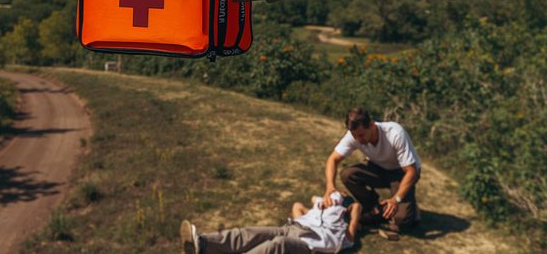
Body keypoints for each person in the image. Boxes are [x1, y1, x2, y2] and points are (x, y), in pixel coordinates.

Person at [323, 107, 421, 238]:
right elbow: (332, 159)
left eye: (361, 135)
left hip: (401, 173)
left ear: (371, 125)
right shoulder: (355, 134)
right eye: (354, 136)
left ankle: (411, 210)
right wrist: (330, 186)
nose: (358, 140)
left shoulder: (395, 133)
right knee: (348, 175)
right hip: (378, 168)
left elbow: (412, 171)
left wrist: (396, 200)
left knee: (401, 221)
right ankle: (374, 207)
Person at [180, 191, 359, 253]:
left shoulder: (342, 225)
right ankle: (202, 244)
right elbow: (297, 205)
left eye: (339, 196)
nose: (336, 196)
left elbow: (350, 236)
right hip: (294, 227)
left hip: (310, 244)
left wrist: (353, 210)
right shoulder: (318, 207)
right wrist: (320, 203)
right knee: (251, 233)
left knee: (277, 245)